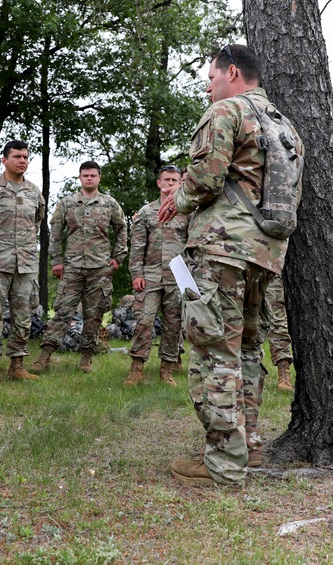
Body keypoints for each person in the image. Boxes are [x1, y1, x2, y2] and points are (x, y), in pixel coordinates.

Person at [160, 44, 303, 488]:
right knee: (245, 351)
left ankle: (223, 462)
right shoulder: (286, 128)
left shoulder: (226, 112)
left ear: (233, 72)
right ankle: (251, 445)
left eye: (210, 78)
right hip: (267, 253)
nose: (207, 87)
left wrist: (176, 200)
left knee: (213, 351)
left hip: (222, 247)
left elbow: (204, 180)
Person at [32, 161, 127, 373]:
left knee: (93, 314)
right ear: (80, 178)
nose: (89, 179)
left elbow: (122, 230)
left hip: (100, 269)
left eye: (93, 175)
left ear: (99, 177)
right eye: (85, 175)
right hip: (72, 267)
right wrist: (56, 260)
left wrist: (118, 258)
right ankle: (44, 355)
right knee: (63, 312)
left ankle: (86, 358)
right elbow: (55, 233)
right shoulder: (67, 203)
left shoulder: (109, 204)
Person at [0, 140, 46, 381]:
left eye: (25, 156)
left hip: (25, 264)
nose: (22, 160)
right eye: (17, 156)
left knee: (24, 316)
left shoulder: (34, 192)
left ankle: (17, 365)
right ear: (4, 160)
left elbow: (36, 222)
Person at [123, 165, 188, 387]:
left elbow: (194, 248)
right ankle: (136, 369)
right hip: (150, 277)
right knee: (144, 321)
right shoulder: (146, 212)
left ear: (181, 183)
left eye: (174, 181)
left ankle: (167, 370)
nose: (170, 184)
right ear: (158, 183)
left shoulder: (189, 213)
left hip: (178, 278)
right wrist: (136, 274)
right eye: (166, 180)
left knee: (174, 325)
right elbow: (137, 247)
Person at [258, 275, 295, 391]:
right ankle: (252, 372)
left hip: (271, 267)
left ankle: (284, 372)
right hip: (244, 264)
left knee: (277, 320)